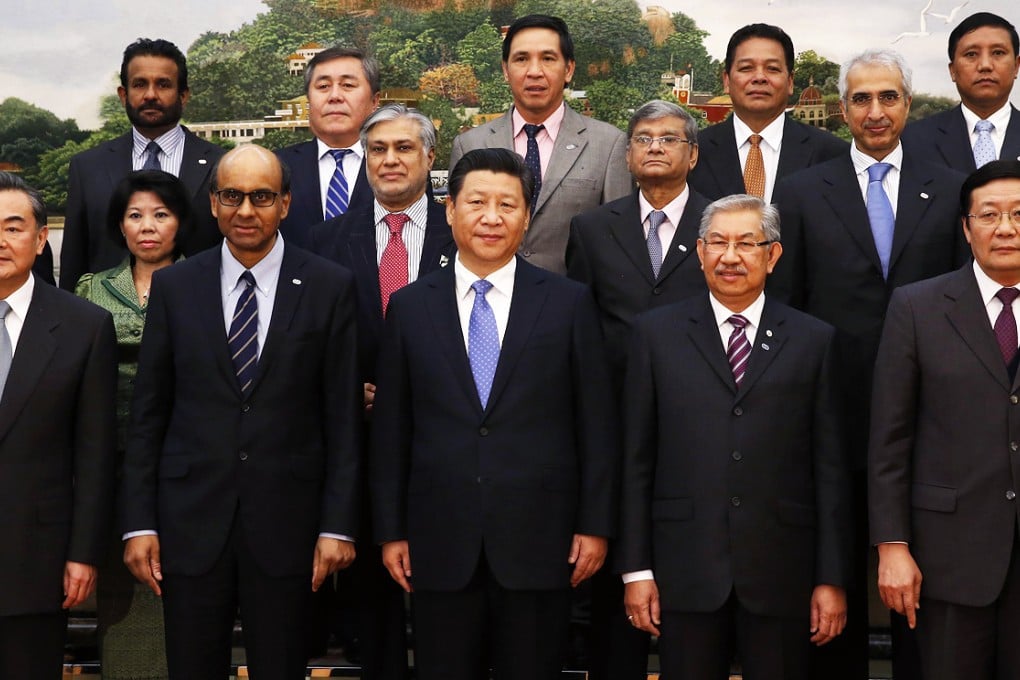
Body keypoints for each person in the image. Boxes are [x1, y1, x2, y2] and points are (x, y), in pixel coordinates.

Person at [370, 148, 619, 680]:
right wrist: (391, 530)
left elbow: (595, 424)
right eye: (477, 202)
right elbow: (392, 431)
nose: (491, 217)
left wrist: (594, 525)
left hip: (541, 540)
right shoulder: (411, 307)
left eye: (507, 204)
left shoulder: (568, 303)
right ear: (450, 211)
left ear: (527, 217)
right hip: (438, 541)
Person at [120, 146, 362, 680]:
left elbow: (343, 419)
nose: (246, 210)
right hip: (190, 523)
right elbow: (149, 416)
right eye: (232, 196)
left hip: (289, 526)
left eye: (261, 196)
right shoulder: (176, 287)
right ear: (213, 203)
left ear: (286, 203)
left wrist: (338, 526)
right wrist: (138, 522)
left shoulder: (328, 286)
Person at [770, 48, 970, 679]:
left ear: (909, 104)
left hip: (930, 419)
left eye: (888, 97)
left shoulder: (946, 187)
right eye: (861, 98)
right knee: (833, 571)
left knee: (921, 581)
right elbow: (787, 303)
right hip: (833, 411)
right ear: (841, 109)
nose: (875, 111)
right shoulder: (800, 191)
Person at [619, 194, 852, 680]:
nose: (730, 256)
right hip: (684, 568)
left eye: (747, 244)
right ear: (699, 252)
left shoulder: (814, 339)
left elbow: (830, 470)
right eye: (718, 243)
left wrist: (831, 578)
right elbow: (636, 460)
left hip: (782, 571)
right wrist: (636, 570)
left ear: (773, 255)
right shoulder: (654, 334)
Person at [308, 103, 455, 680]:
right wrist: (350, 391)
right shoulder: (322, 242)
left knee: (451, 602)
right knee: (374, 610)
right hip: (359, 448)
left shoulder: (464, 234)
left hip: (446, 445)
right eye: (378, 150)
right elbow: (308, 341)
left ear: (429, 156)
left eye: (403, 148)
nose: (390, 160)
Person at [869, 159, 1020, 680]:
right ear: (966, 226)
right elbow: (889, 438)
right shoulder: (917, 307)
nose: (1006, 228)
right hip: (948, 559)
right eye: (990, 215)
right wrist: (892, 546)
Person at [75, 170, 193, 680]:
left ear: (181, 223)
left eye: (161, 215)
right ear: (119, 226)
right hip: (106, 458)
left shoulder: (202, 282)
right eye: (135, 215)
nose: (148, 226)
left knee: (177, 583)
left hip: (182, 461)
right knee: (120, 588)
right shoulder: (89, 289)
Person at [0, 171, 117, 677]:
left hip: (36, 560)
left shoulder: (83, 327)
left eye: (13, 226)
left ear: (41, 236)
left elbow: (94, 454)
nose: (0, 242)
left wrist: (83, 553)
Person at [448, 14, 631, 275]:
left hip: (573, 307)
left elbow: (617, 242)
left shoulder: (608, 144)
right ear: (505, 70)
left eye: (547, 58)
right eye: (522, 59)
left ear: (568, 69)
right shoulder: (470, 145)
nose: (534, 72)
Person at [61, 38, 224, 291]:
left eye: (163, 84)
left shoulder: (221, 166)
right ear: (123, 95)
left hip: (200, 320)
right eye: (139, 84)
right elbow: (74, 261)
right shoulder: (88, 167)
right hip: (108, 323)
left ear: (184, 95)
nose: (150, 95)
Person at [568, 100, 710, 385]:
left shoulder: (719, 226)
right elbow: (581, 325)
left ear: (693, 154)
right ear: (628, 155)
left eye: (669, 139)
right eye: (643, 139)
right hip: (615, 391)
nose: (655, 147)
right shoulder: (592, 229)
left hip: (699, 390)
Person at [687, 23, 847, 204]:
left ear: (790, 82)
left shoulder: (832, 154)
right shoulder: (693, 152)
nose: (759, 77)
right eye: (746, 68)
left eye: (772, 68)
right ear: (727, 81)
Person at [278, 47, 380, 246]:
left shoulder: (399, 167)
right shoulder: (276, 167)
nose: (334, 96)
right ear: (308, 101)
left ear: (374, 101)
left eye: (348, 85)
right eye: (323, 86)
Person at [902, 12, 1020, 171]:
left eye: (998, 53)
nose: (985, 65)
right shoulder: (913, 140)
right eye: (971, 54)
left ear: (1016, 66)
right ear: (952, 71)